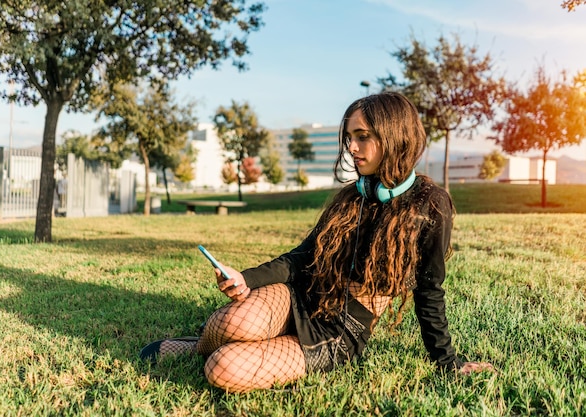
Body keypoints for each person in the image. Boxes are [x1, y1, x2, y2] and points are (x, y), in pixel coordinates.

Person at [139, 91, 493, 392]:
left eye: (362, 136)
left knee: (223, 368)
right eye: (349, 137)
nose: (351, 147)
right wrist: (247, 278)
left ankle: (231, 346)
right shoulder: (351, 197)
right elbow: (301, 257)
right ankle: (196, 344)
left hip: (340, 329)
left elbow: (430, 291)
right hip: (299, 295)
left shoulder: (430, 204)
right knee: (234, 323)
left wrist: (447, 362)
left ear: (394, 136)